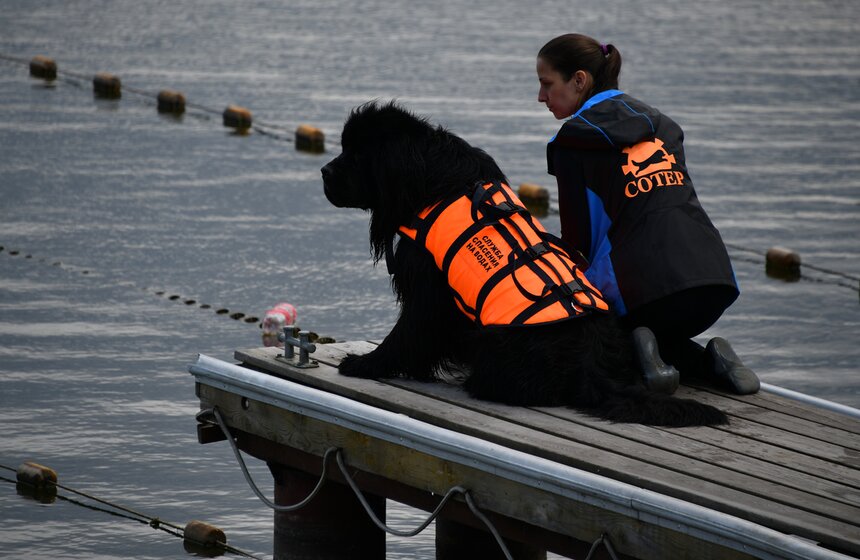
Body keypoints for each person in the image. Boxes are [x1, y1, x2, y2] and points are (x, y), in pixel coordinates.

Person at [536, 33, 759, 395]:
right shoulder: (664, 126)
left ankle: (640, 353)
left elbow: (577, 245)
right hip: (712, 282)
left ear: (579, 80)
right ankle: (710, 359)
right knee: (652, 324)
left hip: (646, 294)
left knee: (591, 332)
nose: (541, 97)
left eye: (547, 84)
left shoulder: (573, 141)